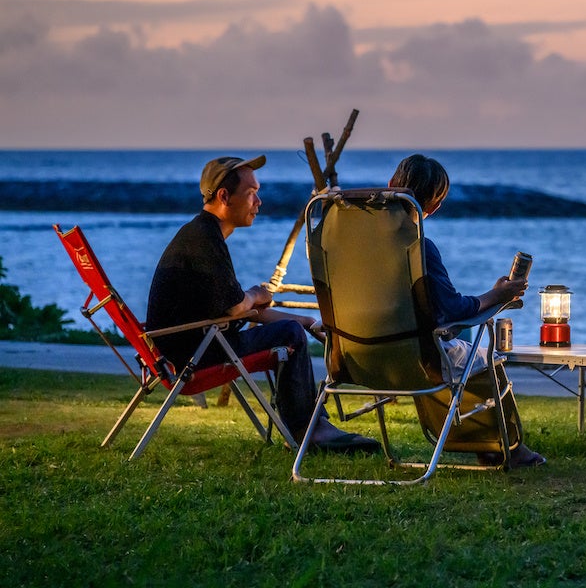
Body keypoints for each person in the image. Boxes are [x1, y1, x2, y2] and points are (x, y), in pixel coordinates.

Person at [146, 155, 379, 453]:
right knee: (289, 335)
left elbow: (238, 310)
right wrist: (257, 294)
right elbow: (238, 307)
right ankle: (309, 430)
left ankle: (309, 425)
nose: (259, 202)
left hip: (188, 350)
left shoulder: (202, 233)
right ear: (224, 196)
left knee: (291, 330)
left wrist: (306, 322)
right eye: (251, 193)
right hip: (193, 358)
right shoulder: (203, 239)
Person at [387, 154, 546, 468]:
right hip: (415, 360)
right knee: (485, 358)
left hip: (355, 357)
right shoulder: (418, 247)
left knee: (459, 355)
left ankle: (484, 442)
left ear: (391, 184)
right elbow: (452, 312)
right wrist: (497, 296)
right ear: (435, 206)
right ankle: (506, 447)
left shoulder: (353, 245)